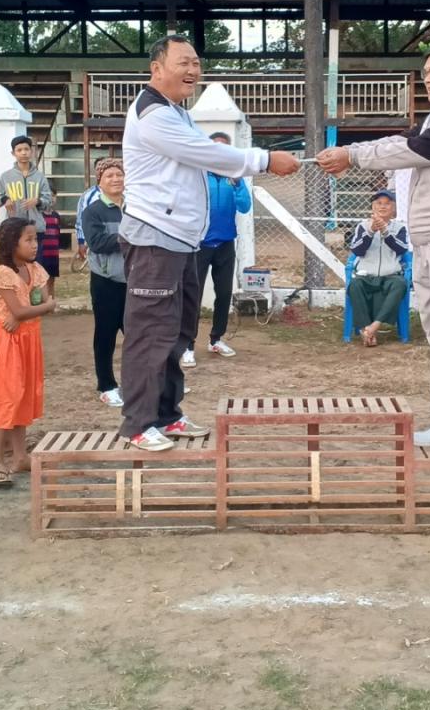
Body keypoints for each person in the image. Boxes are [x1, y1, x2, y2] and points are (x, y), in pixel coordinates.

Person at [117, 36, 298, 451]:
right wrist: (265, 160)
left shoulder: (176, 111)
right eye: (183, 62)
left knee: (177, 331)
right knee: (150, 333)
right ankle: (138, 423)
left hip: (182, 240)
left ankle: (167, 414)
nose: (193, 71)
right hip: (154, 238)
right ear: (156, 68)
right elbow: (206, 154)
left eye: (196, 63)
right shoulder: (151, 113)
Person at [318, 44, 430, 460]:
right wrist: (352, 153)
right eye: (425, 72)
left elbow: (407, 151)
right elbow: (400, 139)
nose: (427, 78)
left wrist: (351, 155)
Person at [0, 217, 53, 487]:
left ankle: (20, 456)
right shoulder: (1, 273)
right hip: (8, 342)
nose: (35, 245)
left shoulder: (35, 269)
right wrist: (39, 309)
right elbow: (30, 308)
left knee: (23, 396)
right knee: (6, 397)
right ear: (12, 242)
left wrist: (26, 313)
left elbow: (34, 305)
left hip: (28, 339)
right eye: (28, 239)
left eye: (36, 239)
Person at [182, 131, 251, 367]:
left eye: (224, 147)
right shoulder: (198, 175)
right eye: (215, 147)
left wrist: (238, 182)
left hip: (225, 244)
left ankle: (216, 339)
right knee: (193, 295)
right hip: (200, 245)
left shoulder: (234, 177)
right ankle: (187, 345)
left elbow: (245, 207)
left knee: (223, 294)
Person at [79, 158, 127, 405]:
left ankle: (143, 381)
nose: (116, 179)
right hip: (106, 281)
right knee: (106, 335)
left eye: (119, 174)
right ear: (100, 182)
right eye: (109, 175)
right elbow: (97, 243)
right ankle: (106, 385)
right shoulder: (93, 211)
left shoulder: (135, 207)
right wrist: (127, 236)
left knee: (139, 334)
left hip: (135, 279)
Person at [346, 189, 411, 347]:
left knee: (400, 284)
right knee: (354, 285)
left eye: (387, 204)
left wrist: (386, 232)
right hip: (366, 275)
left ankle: (374, 327)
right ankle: (366, 329)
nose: (383, 206)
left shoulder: (400, 228)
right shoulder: (363, 226)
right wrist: (371, 231)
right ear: (373, 207)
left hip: (390, 275)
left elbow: (401, 249)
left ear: (393, 209)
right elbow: (357, 250)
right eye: (379, 203)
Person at [0, 135, 58, 293]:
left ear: (32, 151)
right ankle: (18, 294)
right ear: (13, 153)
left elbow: (48, 200)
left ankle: (35, 296)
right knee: (14, 263)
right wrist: (5, 200)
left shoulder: (39, 177)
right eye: (19, 150)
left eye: (26, 149)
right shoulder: (6, 176)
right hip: (14, 229)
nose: (23, 153)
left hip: (36, 229)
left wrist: (37, 201)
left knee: (35, 264)